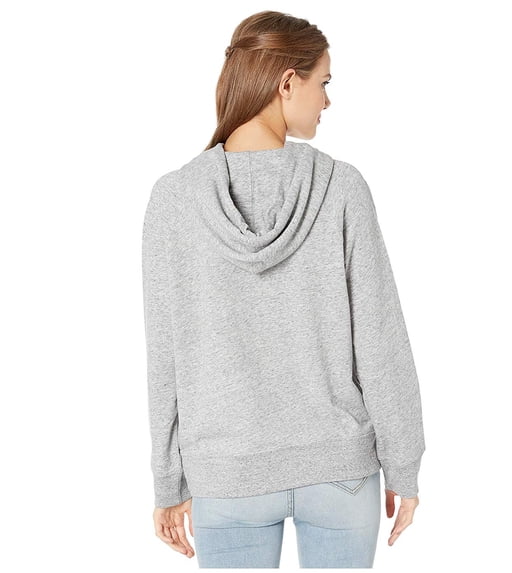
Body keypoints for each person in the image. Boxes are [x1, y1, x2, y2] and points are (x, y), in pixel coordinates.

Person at [141, 9, 426, 568]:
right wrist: (404, 465)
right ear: (287, 81)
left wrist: (168, 482)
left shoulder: (173, 200)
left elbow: (165, 357)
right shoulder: (341, 187)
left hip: (227, 477)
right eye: (324, 82)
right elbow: (380, 341)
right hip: (340, 473)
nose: (327, 100)